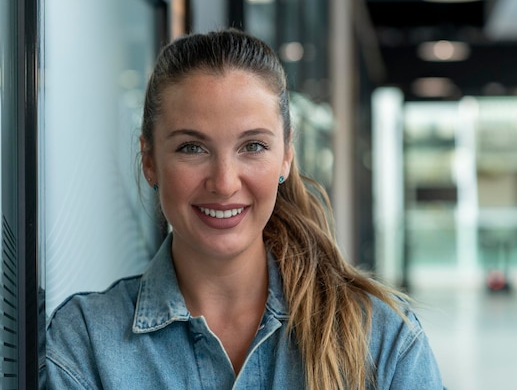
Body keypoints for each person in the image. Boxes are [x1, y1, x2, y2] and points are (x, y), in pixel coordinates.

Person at [43, 28, 445, 389]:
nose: (224, 182)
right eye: (192, 148)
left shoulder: (382, 340)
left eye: (252, 146)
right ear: (149, 161)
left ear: (286, 155)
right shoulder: (87, 343)